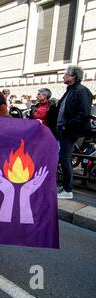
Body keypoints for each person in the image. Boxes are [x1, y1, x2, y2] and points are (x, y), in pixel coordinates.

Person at [57, 66, 93, 199]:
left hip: (71, 131)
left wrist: (67, 125)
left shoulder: (82, 91)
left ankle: (68, 190)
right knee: (63, 157)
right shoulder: (70, 90)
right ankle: (65, 187)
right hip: (64, 129)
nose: (63, 76)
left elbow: (84, 113)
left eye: (66, 74)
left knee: (65, 158)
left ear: (74, 77)